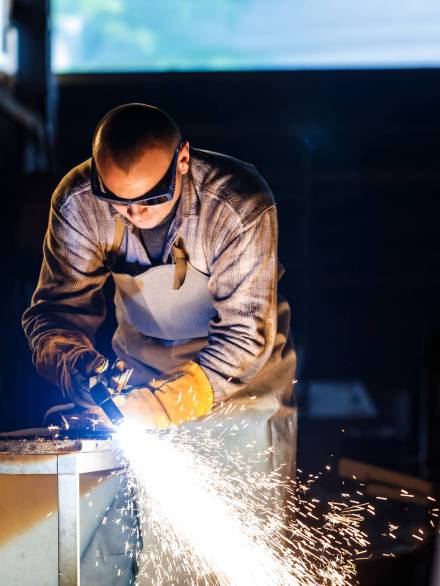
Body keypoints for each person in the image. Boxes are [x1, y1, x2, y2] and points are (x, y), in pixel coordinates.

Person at [22, 103, 297, 582]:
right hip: (141, 361)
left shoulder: (237, 205)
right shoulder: (78, 202)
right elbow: (54, 314)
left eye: (151, 200)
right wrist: (79, 366)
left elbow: (245, 335)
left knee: (234, 538)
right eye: (119, 203)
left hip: (240, 380)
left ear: (183, 160)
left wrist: (162, 406)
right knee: (127, 543)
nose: (134, 215)